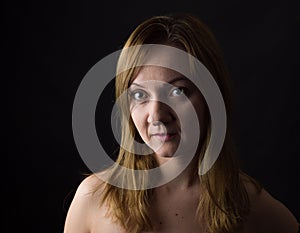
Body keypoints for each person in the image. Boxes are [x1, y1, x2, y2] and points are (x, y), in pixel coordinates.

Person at [64, 13, 299, 233]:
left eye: (178, 91)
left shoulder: (248, 205)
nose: (156, 115)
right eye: (139, 95)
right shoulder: (93, 198)